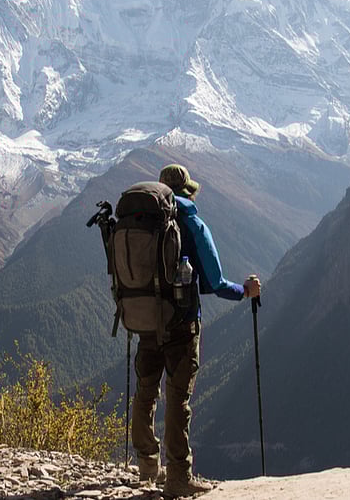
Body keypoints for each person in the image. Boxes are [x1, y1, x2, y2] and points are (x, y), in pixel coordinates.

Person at [132, 163, 261, 497]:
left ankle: (147, 464)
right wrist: (244, 291)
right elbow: (215, 282)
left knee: (146, 390)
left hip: (144, 316)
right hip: (181, 321)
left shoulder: (140, 220)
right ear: (187, 190)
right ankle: (177, 476)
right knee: (177, 397)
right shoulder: (192, 223)